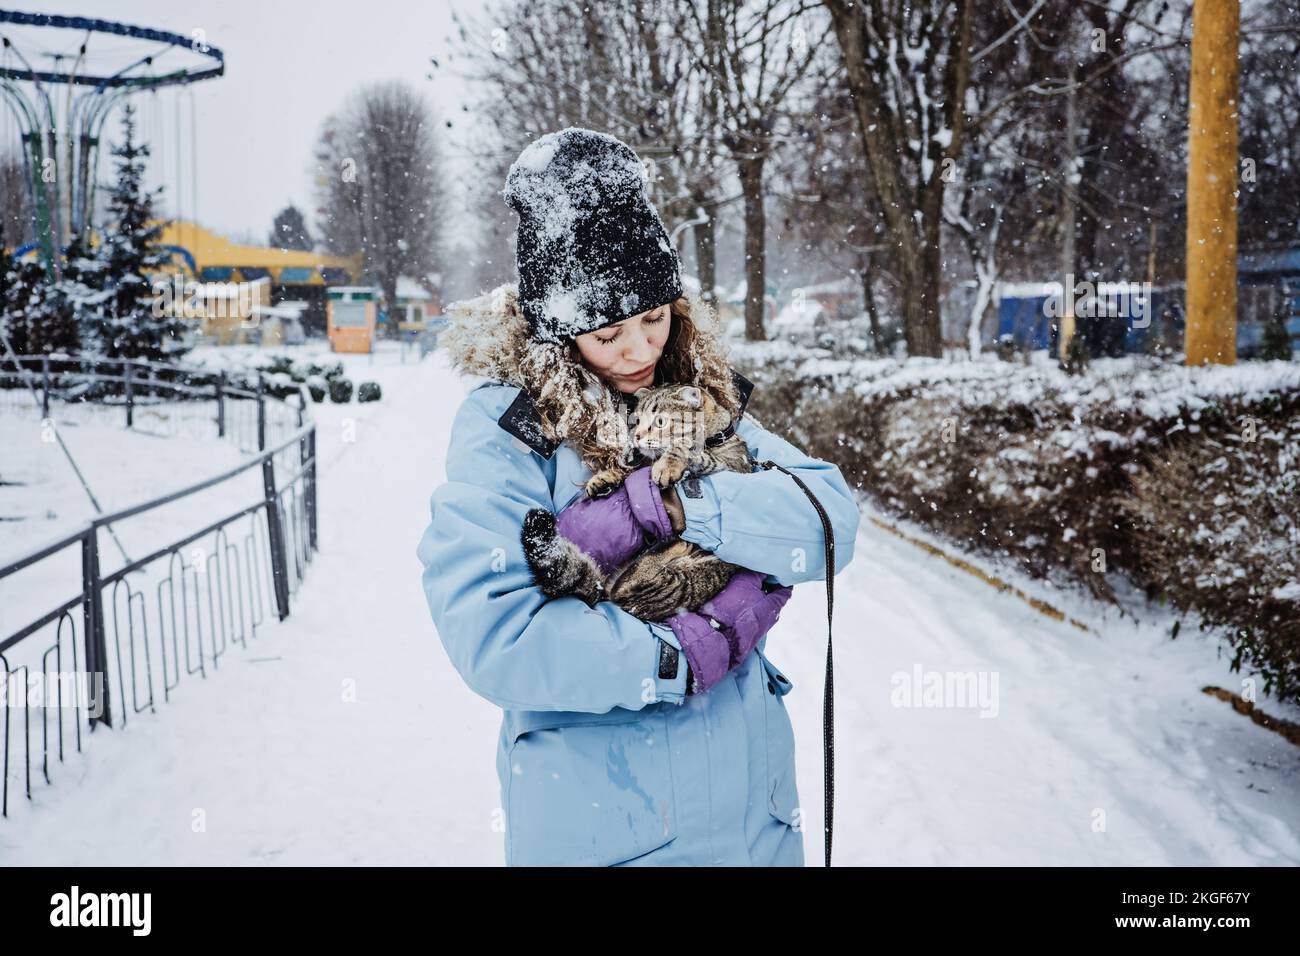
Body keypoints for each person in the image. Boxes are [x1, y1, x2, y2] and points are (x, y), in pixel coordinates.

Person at [415, 127, 860, 866]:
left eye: (655, 318)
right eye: (609, 332)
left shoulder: (702, 394)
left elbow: (829, 521)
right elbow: (492, 634)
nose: (640, 352)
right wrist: (678, 656)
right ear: (559, 331)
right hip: (612, 826)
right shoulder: (512, 432)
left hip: (755, 827)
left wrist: (685, 506)